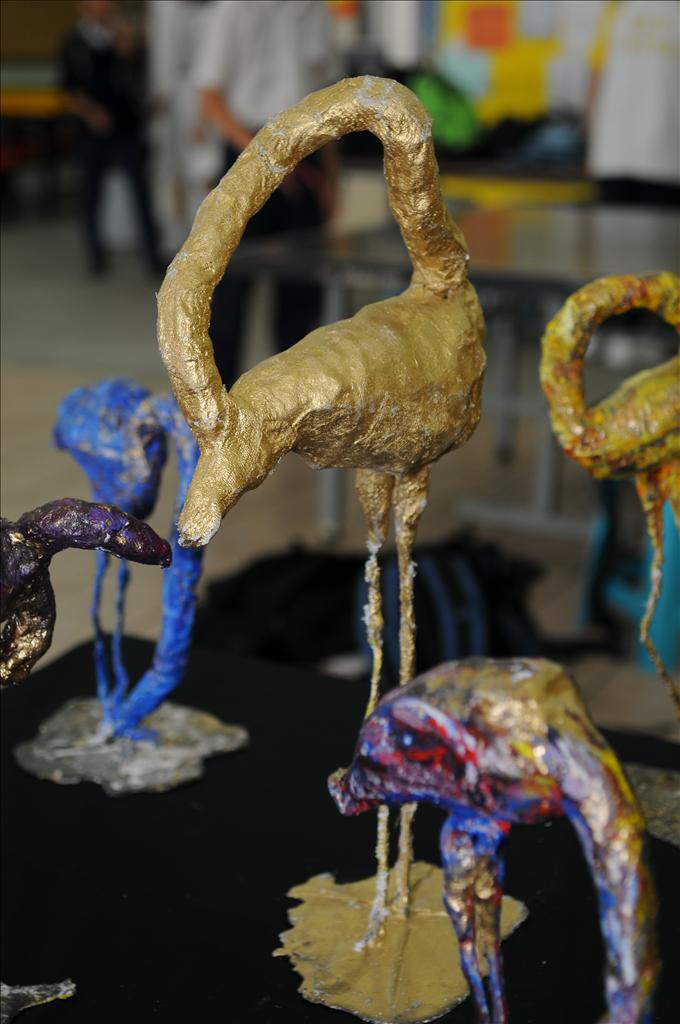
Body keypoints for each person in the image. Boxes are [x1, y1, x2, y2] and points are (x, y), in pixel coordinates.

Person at [193, 0, 337, 385]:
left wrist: (330, 180)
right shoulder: (231, 11)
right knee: (232, 286)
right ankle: (219, 402)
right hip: (249, 150)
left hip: (306, 153)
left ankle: (293, 397)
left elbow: (328, 101)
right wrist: (267, 160)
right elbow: (209, 98)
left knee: (302, 289)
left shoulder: (314, 10)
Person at [60, 0, 163, 274]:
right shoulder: (73, 42)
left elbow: (137, 78)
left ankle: (151, 253)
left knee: (141, 193)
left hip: (127, 129)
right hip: (91, 134)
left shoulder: (123, 37)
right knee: (91, 197)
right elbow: (69, 89)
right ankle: (96, 255)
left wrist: (130, 52)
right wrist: (91, 114)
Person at [587, 0, 680, 205]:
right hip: (650, 154)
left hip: (621, 154)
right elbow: (596, 76)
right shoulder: (615, 10)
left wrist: (591, 141)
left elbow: (595, 78)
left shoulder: (616, 10)